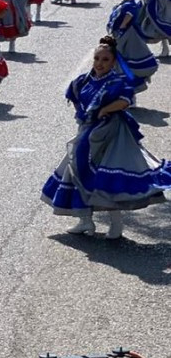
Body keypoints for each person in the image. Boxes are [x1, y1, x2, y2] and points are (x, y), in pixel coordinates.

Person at [40, 36, 171, 238]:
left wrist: (104, 110)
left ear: (114, 62)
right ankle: (85, 221)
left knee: (106, 176)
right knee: (75, 170)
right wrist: (85, 117)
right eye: (97, 58)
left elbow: (125, 101)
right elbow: (75, 98)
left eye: (105, 60)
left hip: (110, 132)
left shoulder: (116, 81)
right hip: (87, 131)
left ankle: (116, 223)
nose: (100, 63)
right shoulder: (83, 80)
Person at [109, 0, 158, 94]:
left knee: (122, 63)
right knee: (120, 64)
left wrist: (121, 28)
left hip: (127, 37)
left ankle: (132, 91)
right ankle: (126, 92)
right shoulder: (121, 5)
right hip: (120, 35)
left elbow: (128, 16)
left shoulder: (130, 5)